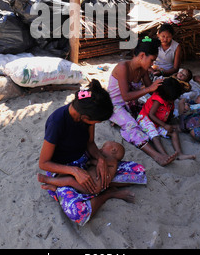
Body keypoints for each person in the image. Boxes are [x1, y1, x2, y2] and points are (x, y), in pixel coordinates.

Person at [38, 79, 147, 226]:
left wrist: (101, 160)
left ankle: (90, 190)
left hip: (86, 162)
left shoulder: (85, 115)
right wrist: (75, 171)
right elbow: (43, 163)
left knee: (138, 171)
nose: (97, 124)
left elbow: (90, 143)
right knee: (79, 213)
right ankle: (107, 194)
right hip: (63, 171)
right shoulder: (57, 122)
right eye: (97, 122)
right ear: (85, 118)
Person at [108, 36, 178, 166]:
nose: (152, 64)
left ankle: (120, 121)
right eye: (151, 60)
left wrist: (167, 86)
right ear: (141, 56)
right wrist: (149, 88)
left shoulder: (143, 70)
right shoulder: (123, 67)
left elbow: (152, 91)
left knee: (147, 116)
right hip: (115, 105)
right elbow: (126, 96)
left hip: (131, 104)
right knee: (132, 125)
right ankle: (157, 156)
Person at [136, 77, 196, 160]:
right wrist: (164, 125)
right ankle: (164, 155)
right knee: (155, 135)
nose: (172, 101)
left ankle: (179, 154)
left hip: (158, 122)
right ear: (165, 96)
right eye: (171, 99)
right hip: (145, 119)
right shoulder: (158, 100)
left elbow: (169, 114)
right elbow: (151, 115)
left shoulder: (170, 101)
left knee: (174, 132)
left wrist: (169, 125)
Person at [38, 141, 125, 194]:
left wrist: (91, 161)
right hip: (90, 183)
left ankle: (48, 180)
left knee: (70, 180)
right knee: (71, 180)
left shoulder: (112, 161)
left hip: (92, 187)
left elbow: (99, 162)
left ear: (113, 150)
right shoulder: (109, 159)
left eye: (104, 147)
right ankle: (56, 188)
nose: (101, 149)